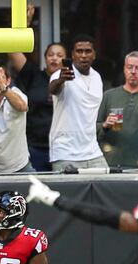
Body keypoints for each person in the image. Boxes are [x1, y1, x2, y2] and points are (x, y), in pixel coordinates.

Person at [8, 6, 65, 172]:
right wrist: (24, 23)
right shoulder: (34, 75)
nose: (55, 58)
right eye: (51, 55)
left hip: (63, 149)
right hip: (35, 147)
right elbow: (12, 50)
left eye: (60, 55)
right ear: (45, 58)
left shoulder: (71, 81)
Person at [48, 35, 108, 172]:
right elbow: (53, 89)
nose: (83, 55)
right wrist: (61, 80)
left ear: (94, 55)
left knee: (108, 187)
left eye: (88, 51)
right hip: (65, 153)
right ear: (72, 55)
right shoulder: (61, 75)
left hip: (93, 151)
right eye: (79, 51)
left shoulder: (97, 77)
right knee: (66, 194)